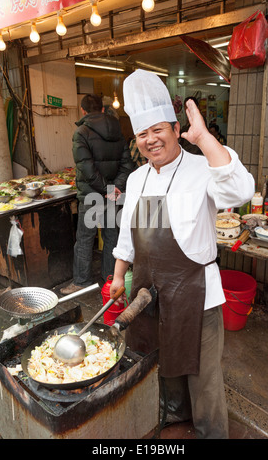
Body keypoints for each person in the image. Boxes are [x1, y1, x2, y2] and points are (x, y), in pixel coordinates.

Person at [109, 69, 255, 438]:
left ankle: (210, 433)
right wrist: (117, 275)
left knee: (203, 377)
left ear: (176, 129)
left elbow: (240, 192)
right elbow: (129, 234)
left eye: (158, 129)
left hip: (196, 294)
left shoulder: (202, 167)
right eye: (142, 134)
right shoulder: (138, 179)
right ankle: (174, 427)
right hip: (149, 293)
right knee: (165, 366)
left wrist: (205, 139)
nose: (151, 140)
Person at [60, 94, 134, 295]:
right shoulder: (118, 131)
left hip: (93, 195)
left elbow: (87, 169)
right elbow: (127, 164)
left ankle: (82, 281)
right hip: (112, 195)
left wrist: (105, 189)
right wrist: (113, 189)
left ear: (83, 111)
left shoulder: (81, 132)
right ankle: (110, 277)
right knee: (111, 236)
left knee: (85, 238)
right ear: (102, 109)